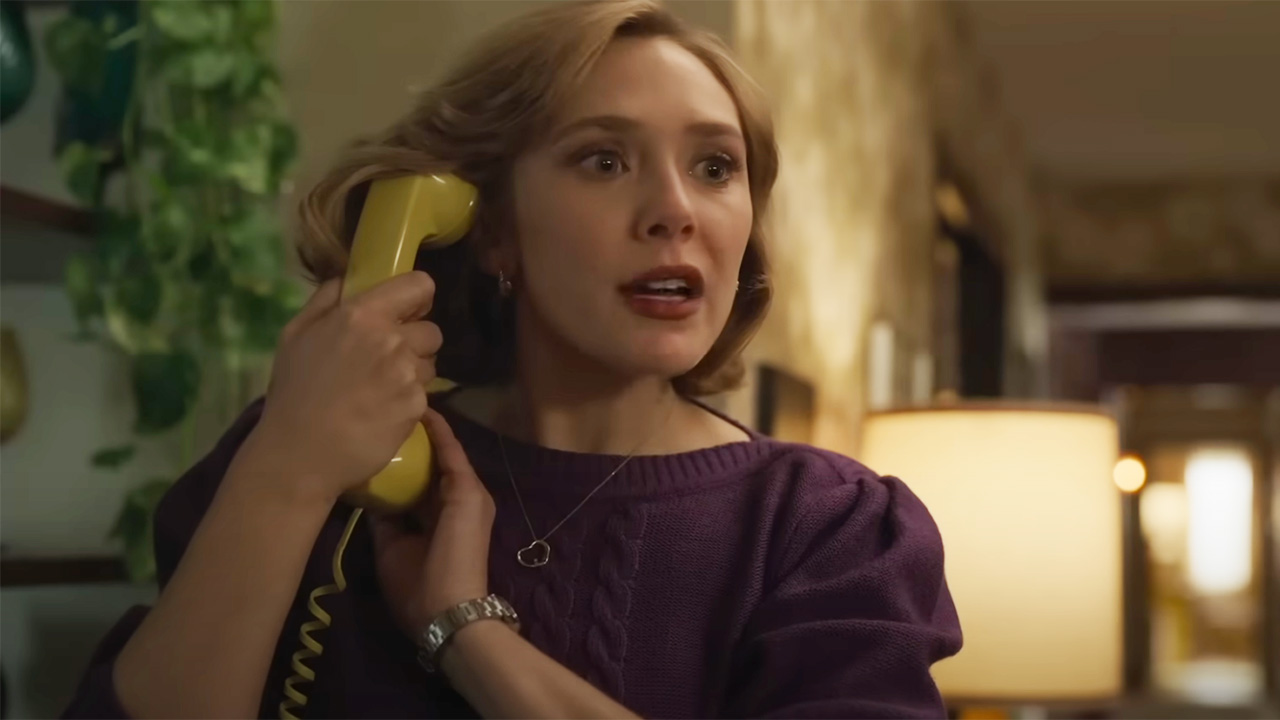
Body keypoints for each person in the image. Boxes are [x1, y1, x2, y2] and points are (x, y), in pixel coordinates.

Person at [62, 1, 962, 718]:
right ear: (489, 228)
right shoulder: (312, 451)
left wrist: (468, 635)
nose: (675, 210)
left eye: (715, 167)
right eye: (604, 160)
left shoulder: (830, 531)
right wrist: (290, 466)